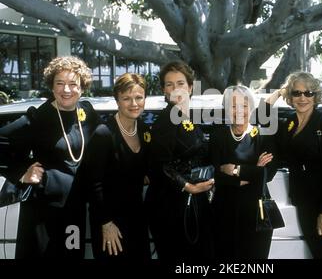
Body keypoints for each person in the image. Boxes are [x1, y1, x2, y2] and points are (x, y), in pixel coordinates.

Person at [0, 56, 100, 259]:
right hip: (43, 212)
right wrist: (22, 173)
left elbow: (103, 148)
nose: (66, 90)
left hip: (75, 210)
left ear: (82, 88)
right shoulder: (38, 117)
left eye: (73, 84)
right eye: (60, 83)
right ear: (52, 87)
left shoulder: (87, 113)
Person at [264, 72, 322, 259]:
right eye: (296, 93)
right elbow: (261, 116)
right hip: (304, 203)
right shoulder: (289, 124)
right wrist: (279, 92)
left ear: (315, 96)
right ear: (290, 96)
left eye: (308, 93)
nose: (302, 98)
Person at [145, 61, 214, 259]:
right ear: (163, 90)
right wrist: (190, 187)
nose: (176, 89)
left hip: (189, 203)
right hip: (169, 206)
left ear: (191, 87)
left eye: (181, 83)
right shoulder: (166, 120)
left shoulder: (186, 117)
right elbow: (159, 165)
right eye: (169, 84)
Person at [82, 73, 151, 260]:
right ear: (117, 101)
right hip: (110, 222)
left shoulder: (144, 130)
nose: (134, 103)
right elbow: (93, 183)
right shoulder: (104, 134)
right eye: (126, 98)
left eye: (139, 97)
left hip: (137, 217)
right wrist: (106, 223)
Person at [210, 85, 276, 259]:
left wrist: (235, 170)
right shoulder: (218, 136)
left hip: (257, 211)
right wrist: (252, 172)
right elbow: (215, 173)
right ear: (226, 109)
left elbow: (268, 173)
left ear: (252, 107)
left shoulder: (263, 134)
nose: (239, 111)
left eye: (245, 105)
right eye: (233, 106)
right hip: (224, 212)